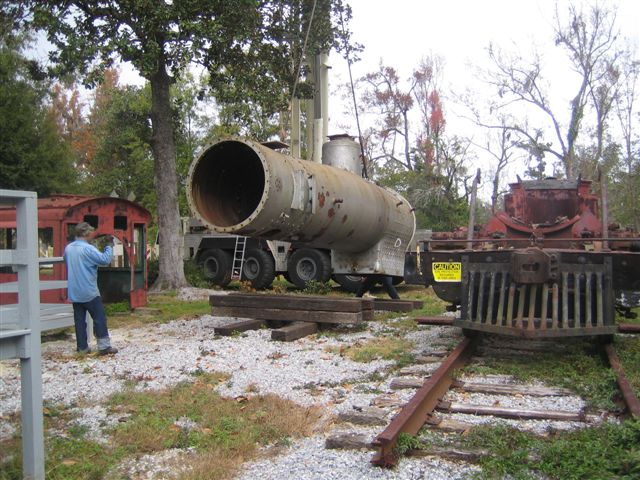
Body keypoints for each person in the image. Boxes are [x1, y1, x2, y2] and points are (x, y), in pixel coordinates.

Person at [63, 222, 118, 355]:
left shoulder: (68, 249)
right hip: (89, 290)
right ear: (86, 233)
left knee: (79, 321)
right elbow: (104, 260)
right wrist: (109, 246)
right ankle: (104, 346)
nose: (93, 235)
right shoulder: (88, 249)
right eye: (91, 233)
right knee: (99, 318)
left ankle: (82, 347)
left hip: (74, 291)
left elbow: (66, 261)